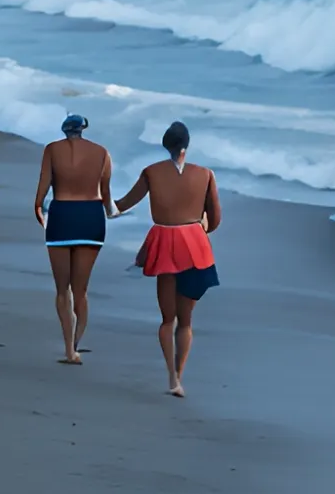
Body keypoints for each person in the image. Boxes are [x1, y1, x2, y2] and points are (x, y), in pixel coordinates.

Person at [115, 120, 222, 398]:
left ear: (166, 145)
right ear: (187, 146)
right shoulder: (206, 174)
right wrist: (198, 229)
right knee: (186, 321)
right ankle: (180, 374)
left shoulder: (151, 172)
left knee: (167, 319)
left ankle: (172, 378)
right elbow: (216, 220)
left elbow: (121, 205)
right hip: (195, 247)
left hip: (164, 244)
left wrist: (95, 199)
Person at [33, 113, 115, 365]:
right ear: (83, 130)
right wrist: (114, 211)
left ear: (64, 130)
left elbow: (41, 192)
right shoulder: (102, 153)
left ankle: (69, 349)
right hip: (91, 216)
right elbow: (106, 197)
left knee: (62, 290)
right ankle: (76, 343)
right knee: (81, 290)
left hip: (62, 215)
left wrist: (40, 213)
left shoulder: (52, 150)